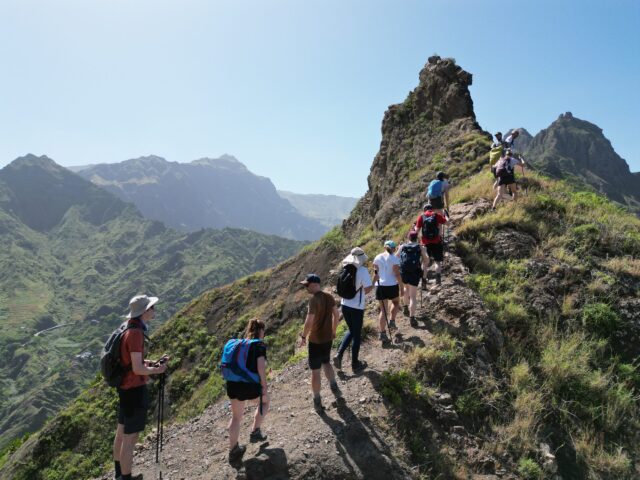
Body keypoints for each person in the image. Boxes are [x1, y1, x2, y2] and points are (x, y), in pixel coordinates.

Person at [113, 294, 168, 480]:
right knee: (130, 438)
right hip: (134, 390)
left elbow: (132, 362)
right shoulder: (136, 334)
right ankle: (126, 477)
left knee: (121, 433)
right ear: (144, 311)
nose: (154, 310)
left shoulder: (127, 328)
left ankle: (119, 473)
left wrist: (151, 363)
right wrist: (158, 370)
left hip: (124, 388)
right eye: (152, 308)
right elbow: (137, 368)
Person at [225, 319, 269, 463]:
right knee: (265, 401)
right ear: (261, 330)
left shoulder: (238, 344)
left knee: (236, 417)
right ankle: (255, 431)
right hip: (248, 386)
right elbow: (261, 368)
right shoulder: (259, 345)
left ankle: (233, 450)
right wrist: (264, 388)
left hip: (232, 384)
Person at [298, 274, 341, 412]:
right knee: (326, 362)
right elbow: (336, 315)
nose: (306, 287)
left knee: (315, 371)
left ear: (313, 285)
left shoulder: (313, 301)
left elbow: (309, 322)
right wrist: (333, 331)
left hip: (316, 340)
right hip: (327, 338)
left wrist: (304, 336)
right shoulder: (329, 297)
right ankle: (334, 386)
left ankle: (317, 400)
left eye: (307, 285)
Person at [334, 247, 373, 373]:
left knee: (351, 330)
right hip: (357, 307)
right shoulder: (362, 270)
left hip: (344, 305)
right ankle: (355, 364)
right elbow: (367, 289)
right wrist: (374, 280)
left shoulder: (345, 269)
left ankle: (339, 354)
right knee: (356, 335)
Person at [397, 231, 429, 327]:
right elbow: (426, 260)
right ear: (417, 238)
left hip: (404, 272)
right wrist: (424, 252)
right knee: (413, 296)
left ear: (408, 238)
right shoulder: (420, 247)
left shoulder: (403, 246)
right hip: (415, 273)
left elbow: (396, 257)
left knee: (406, 290)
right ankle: (412, 318)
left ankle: (405, 307)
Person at [373, 240, 402, 343]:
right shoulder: (394, 258)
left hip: (380, 286)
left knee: (383, 310)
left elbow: (375, 273)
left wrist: (373, 284)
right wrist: (402, 288)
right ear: (394, 248)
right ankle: (392, 321)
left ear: (384, 247)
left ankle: (382, 333)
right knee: (396, 302)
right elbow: (397, 274)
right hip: (392, 285)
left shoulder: (377, 257)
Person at [415, 204, 447, 285]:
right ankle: (438, 280)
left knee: (425, 263)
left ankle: (424, 282)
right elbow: (448, 223)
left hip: (425, 243)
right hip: (437, 242)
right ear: (432, 209)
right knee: (437, 262)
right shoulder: (436, 215)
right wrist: (446, 216)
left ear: (424, 209)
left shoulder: (421, 217)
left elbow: (416, 231)